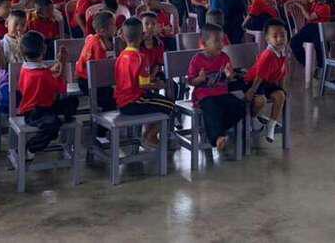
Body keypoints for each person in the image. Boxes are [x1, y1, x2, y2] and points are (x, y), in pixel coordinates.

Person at [115, 18, 175, 148]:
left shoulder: (121, 56)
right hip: (134, 102)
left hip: (121, 102)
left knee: (158, 101)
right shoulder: (140, 57)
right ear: (141, 36)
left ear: (124, 37)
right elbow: (144, 85)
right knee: (169, 104)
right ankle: (150, 136)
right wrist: (158, 85)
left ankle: (148, 134)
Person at [17, 31, 78, 156]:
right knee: (52, 124)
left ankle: (58, 118)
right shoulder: (42, 73)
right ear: (44, 50)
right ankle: (30, 148)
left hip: (40, 107)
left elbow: (47, 74)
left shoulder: (25, 67)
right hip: (36, 112)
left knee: (72, 102)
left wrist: (57, 64)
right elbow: (61, 88)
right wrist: (63, 64)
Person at [187, 23, 244, 152]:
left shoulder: (224, 57)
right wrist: (200, 79)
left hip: (221, 93)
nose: (221, 44)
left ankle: (218, 129)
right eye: (217, 41)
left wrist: (229, 76)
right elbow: (190, 81)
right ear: (204, 43)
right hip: (204, 96)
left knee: (240, 106)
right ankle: (217, 138)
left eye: (222, 40)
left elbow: (229, 77)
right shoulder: (197, 60)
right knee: (212, 109)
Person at [244, 20, 289, 143]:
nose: (280, 39)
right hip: (254, 82)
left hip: (268, 82)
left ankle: (271, 124)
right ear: (267, 39)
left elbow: (282, 73)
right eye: (275, 36)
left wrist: (282, 89)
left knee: (281, 96)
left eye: (283, 35)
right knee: (260, 100)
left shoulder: (284, 52)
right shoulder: (268, 55)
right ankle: (252, 118)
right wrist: (252, 91)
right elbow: (259, 76)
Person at [75, 11, 115, 111]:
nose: (116, 27)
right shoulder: (96, 44)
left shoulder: (105, 39)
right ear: (102, 30)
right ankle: (103, 120)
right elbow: (100, 68)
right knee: (111, 99)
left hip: (97, 78)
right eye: (113, 25)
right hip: (87, 80)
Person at [289, 0, 330, 67]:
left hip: (318, 30)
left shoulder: (324, 7)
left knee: (319, 48)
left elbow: (309, 17)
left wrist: (301, 7)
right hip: (311, 30)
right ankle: (306, 62)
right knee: (294, 42)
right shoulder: (315, 4)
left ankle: (318, 65)